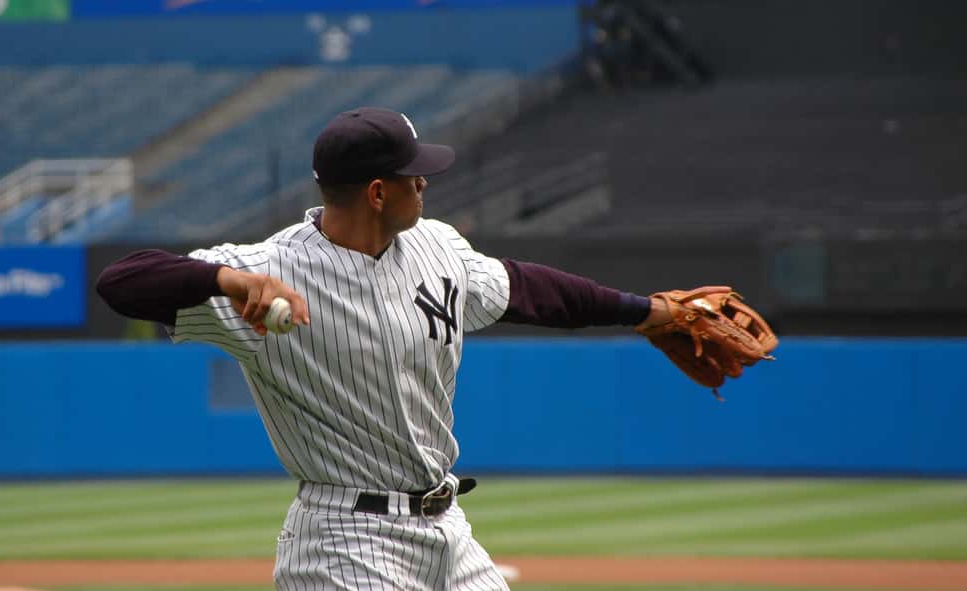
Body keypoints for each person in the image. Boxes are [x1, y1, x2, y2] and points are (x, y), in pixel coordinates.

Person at [96, 106, 673, 590]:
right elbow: (120, 280)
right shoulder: (268, 269)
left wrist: (645, 311)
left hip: (449, 530)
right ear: (377, 192)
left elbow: (525, 288)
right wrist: (223, 279)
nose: (425, 183)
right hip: (345, 541)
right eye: (413, 175)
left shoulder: (436, 244)